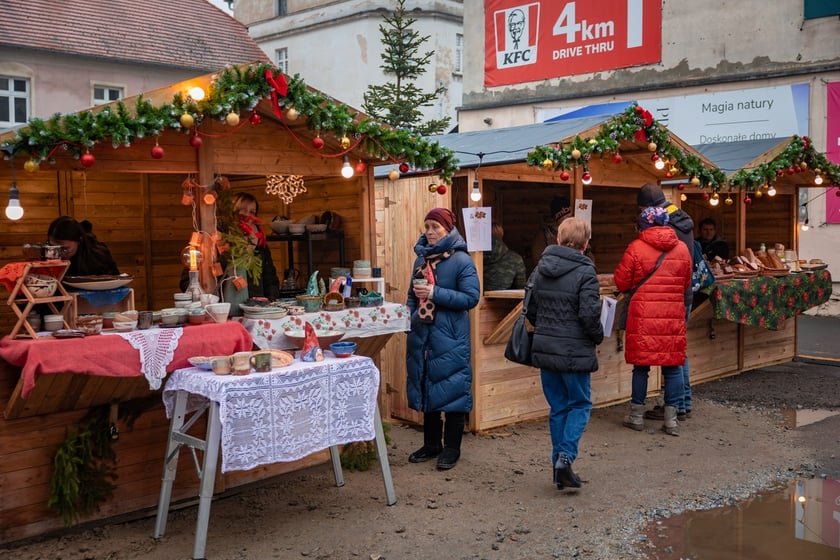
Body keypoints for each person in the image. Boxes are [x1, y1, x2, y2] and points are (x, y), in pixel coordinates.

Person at [526, 217, 604, 490]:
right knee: (580, 404)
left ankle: (558, 468)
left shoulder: (540, 269)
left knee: (558, 407)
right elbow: (589, 315)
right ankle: (565, 458)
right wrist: (597, 336)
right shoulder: (586, 272)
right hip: (575, 351)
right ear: (586, 244)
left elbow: (531, 310)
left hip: (546, 349)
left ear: (558, 240)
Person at [405, 207, 480, 470]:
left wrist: (436, 293)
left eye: (435, 227)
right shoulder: (420, 261)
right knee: (428, 386)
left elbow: (471, 299)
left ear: (448, 229)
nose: (430, 232)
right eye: (427, 226)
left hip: (450, 337)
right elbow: (412, 296)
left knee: (453, 391)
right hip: (422, 334)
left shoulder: (462, 261)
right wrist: (409, 317)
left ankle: (451, 449)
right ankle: (431, 444)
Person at [614, 207, 692, 436]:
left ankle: (636, 417)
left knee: (641, 367)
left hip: (643, 317)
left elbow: (621, 282)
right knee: (673, 368)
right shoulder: (682, 249)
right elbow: (686, 283)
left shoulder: (636, 247)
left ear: (644, 225)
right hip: (672, 315)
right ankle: (671, 420)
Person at [636, 183, 696, 422]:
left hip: (667, 298)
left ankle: (676, 405)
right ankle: (683, 404)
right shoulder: (683, 221)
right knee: (679, 350)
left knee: (672, 355)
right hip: (684, 294)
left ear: (648, 210)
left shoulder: (662, 227)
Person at [179, 192, 281, 301]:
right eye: (243, 209)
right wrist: (202, 299)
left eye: (252, 212)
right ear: (233, 211)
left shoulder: (259, 241)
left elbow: (270, 278)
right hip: (220, 308)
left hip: (255, 308)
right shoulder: (215, 237)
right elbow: (187, 279)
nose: (247, 215)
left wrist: (271, 300)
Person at [47, 216, 120, 276]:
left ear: (79, 240)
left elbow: (114, 278)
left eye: (64, 249)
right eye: (53, 247)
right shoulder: (47, 255)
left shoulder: (98, 255)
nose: (58, 254)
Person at [530, 195, 571, 270]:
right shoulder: (544, 235)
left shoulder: (574, 232)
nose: (570, 218)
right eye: (566, 216)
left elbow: (589, 256)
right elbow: (539, 261)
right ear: (558, 216)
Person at [483, 222, 526, 291]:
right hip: (504, 300)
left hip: (473, 300)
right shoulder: (516, 259)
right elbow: (521, 289)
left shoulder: (472, 257)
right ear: (501, 235)